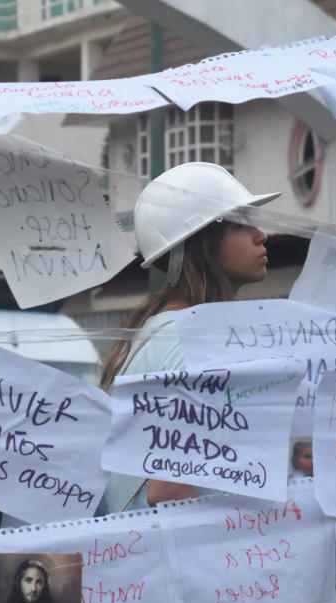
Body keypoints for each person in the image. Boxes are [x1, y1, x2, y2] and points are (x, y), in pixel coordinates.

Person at [99, 161, 280, 510]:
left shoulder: (169, 329)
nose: (261, 234)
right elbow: (168, 491)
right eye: (240, 224)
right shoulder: (188, 339)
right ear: (201, 242)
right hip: (189, 558)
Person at [288, 442, 336, 603]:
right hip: (301, 558)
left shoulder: (328, 483)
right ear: (295, 459)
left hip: (326, 557)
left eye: (316, 456)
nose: (312, 461)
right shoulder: (289, 486)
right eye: (306, 456)